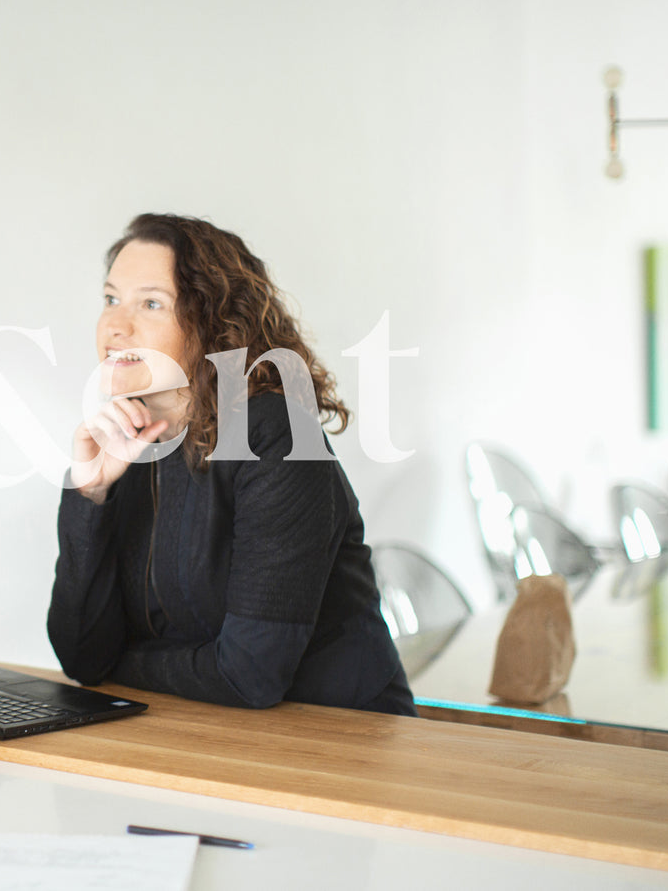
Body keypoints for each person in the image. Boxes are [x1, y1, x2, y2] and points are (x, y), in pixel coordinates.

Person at [47, 213, 415, 716]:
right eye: (111, 299)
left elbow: (250, 674)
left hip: (343, 743)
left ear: (211, 320)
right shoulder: (132, 444)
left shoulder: (276, 433)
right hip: (204, 738)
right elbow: (80, 654)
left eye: (150, 303)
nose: (115, 326)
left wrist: (118, 667)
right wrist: (90, 494)